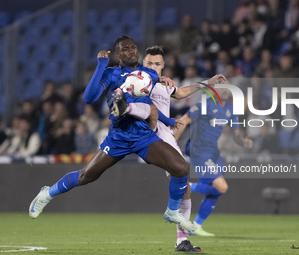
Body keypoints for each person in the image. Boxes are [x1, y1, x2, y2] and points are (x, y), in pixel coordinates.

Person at [29, 35, 196, 234]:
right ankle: (47, 193)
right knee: (86, 176)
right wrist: (100, 65)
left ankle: (172, 211)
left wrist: (167, 119)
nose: (131, 51)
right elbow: (89, 98)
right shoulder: (110, 74)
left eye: (133, 47)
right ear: (117, 55)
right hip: (119, 137)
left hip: (144, 136)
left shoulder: (149, 74)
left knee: (181, 168)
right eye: (125, 49)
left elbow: (150, 106)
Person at [143, 45, 226, 252]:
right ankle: (173, 217)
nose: (153, 66)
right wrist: (150, 77)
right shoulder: (138, 80)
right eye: (149, 63)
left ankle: (182, 241)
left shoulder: (165, 85)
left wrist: (208, 83)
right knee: (183, 180)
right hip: (149, 138)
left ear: (163, 66)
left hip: (165, 137)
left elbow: (180, 93)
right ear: (143, 64)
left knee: (184, 186)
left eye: (157, 64)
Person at [174, 86, 253, 236]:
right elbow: (184, 120)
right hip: (199, 149)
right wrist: (173, 142)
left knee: (216, 191)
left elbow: (236, 134)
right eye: (221, 86)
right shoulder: (205, 104)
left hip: (213, 152)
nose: (225, 89)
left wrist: (243, 142)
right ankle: (187, 186)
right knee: (221, 186)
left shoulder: (230, 108)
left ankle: (195, 226)